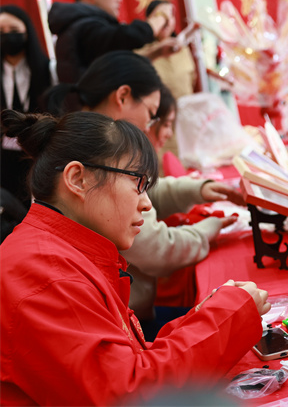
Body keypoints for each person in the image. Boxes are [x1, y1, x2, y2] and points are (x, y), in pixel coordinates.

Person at [0, 109, 269, 405]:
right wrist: (228, 315)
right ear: (78, 179)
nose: (146, 203)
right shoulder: (44, 273)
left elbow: (128, 359)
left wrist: (205, 317)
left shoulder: (61, 251)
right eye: (138, 183)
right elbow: (128, 394)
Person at [45, 51, 244, 339]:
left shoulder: (95, 145)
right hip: (120, 323)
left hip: (124, 317)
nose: (152, 128)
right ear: (123, 97)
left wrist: (196, 190)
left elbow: (146, 193)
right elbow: (155, 248)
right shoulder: (93, 153)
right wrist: (205, 231)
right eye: (152, 115)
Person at [48, 0, 176, 83]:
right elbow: (126, 37)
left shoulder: (80, 25)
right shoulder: (85, 27)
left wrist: (156, 53)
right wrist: (160, 16)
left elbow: (113, 67)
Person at [1, 5, 54, 237]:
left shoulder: (46, 69)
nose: (7, 35)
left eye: (13, 29)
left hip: (36, 151)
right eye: (1, 31)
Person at [141, 0, 199, 160]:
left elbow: (192, 81)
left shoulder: (183, 50)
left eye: (170, 16)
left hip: (185, 123)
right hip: (158, 127)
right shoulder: (143, 52)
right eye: (161, 16)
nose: (167, 22)